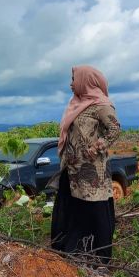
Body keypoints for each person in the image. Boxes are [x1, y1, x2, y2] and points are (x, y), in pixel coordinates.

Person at [51, 65, 121, 264]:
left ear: (86, 81)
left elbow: (114, 129)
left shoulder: (101, 104)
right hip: (72, 169)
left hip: (92, 171)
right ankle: (71, 251)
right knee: (72, 209)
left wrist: (98, 146)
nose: (71, 84)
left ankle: (98, 257)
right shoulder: (76, 104)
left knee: (93, 210)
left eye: (74, 79)